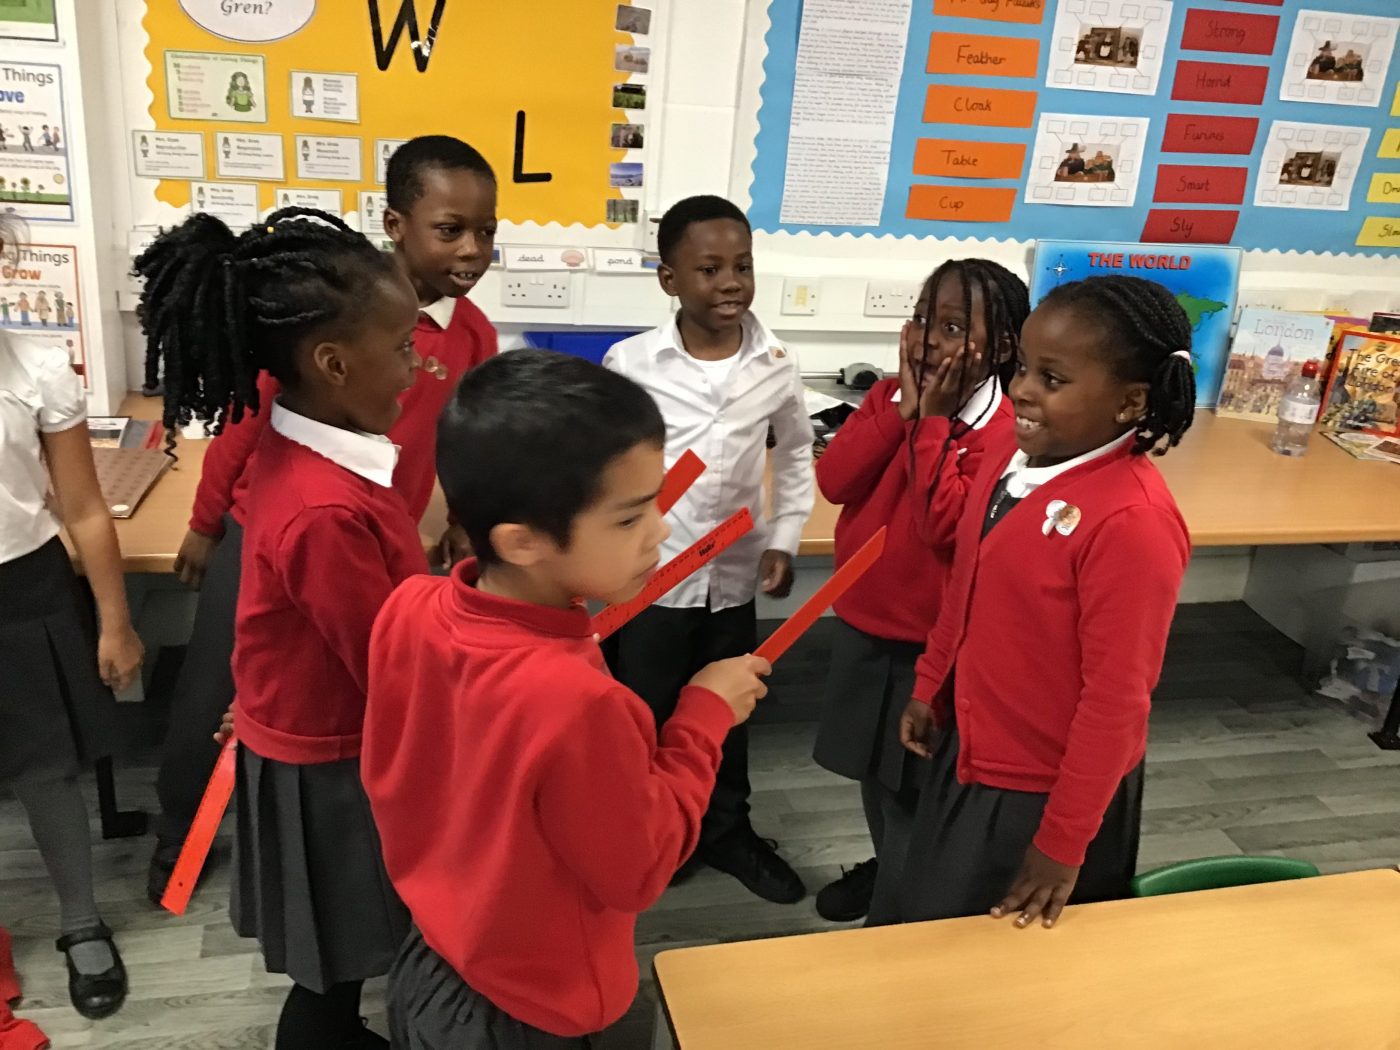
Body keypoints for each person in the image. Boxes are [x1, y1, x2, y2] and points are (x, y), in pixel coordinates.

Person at [362, 349, 772, 1048]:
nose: (662, 530)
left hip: (436, 954)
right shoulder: (580, 703)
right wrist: (702, 718)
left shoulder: (408, 606)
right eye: (629, 519)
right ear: (522, 542)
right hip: (539, 1008)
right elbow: (639, 869)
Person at [144, 135, 498, 902]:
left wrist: (460, 520)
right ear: (396, 224)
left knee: (322, 692)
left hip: (372, 531)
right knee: (220, 693)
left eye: (485, 231)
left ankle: (328, 836)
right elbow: (245, 421)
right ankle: (179, 839)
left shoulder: (471, 332)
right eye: (451, 230)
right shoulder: (332, 314)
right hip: (282, 529)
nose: (472, 250)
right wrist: (207, 523)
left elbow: (461, 434)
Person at [135, 207, 429, 1049]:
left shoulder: (313, 460)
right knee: (333, 964)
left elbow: (289, 627)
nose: (415, 367)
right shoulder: (324, 509)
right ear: (333, 363)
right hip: (328, 763)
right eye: (403, 348)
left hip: (307, 732)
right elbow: (386, 660)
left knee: (335, 958)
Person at [896, 275, 1196, 928]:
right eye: (1024, 367)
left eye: (1052, 379)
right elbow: (965, 584)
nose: (1022, 390)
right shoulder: (1011, 450)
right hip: (974, 748)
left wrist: (1061, 845)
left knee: (996, 956)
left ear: (1130, 402)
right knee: (928, 924)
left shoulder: (1133, 522)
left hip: (1044, 792)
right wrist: (931, 681)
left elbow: (1116, 704)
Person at [602, 194, 814, 904]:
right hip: (651, 580)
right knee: (647, 712)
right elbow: (604, 466)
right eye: (710, 268)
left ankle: (726, 831)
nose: (730, 283)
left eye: (742, 266)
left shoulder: (776, 363)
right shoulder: (631, 363)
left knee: (729, 707)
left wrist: (785, 534)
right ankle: (653, 836)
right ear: (669, 279)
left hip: (733, 574)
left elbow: (796, 451)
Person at [810, 260, 1027, 924]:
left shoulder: (1004, 431)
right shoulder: (890, 397)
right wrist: (900, 410)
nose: (930, 339)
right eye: (925, 319)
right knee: (874, 774)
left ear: (1002, 346)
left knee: (913, 788)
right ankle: (889, 868)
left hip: (932, 647)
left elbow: (943, 528)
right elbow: (835, 481)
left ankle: (900, 912)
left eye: (955, 327)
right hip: (865, 622)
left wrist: (929, 423)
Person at [0, 216, 143, 1021]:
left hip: (24, 590)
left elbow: (85, 509)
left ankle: (82, 921)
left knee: (45, 768)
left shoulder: (36, 368)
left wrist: (115, 621)